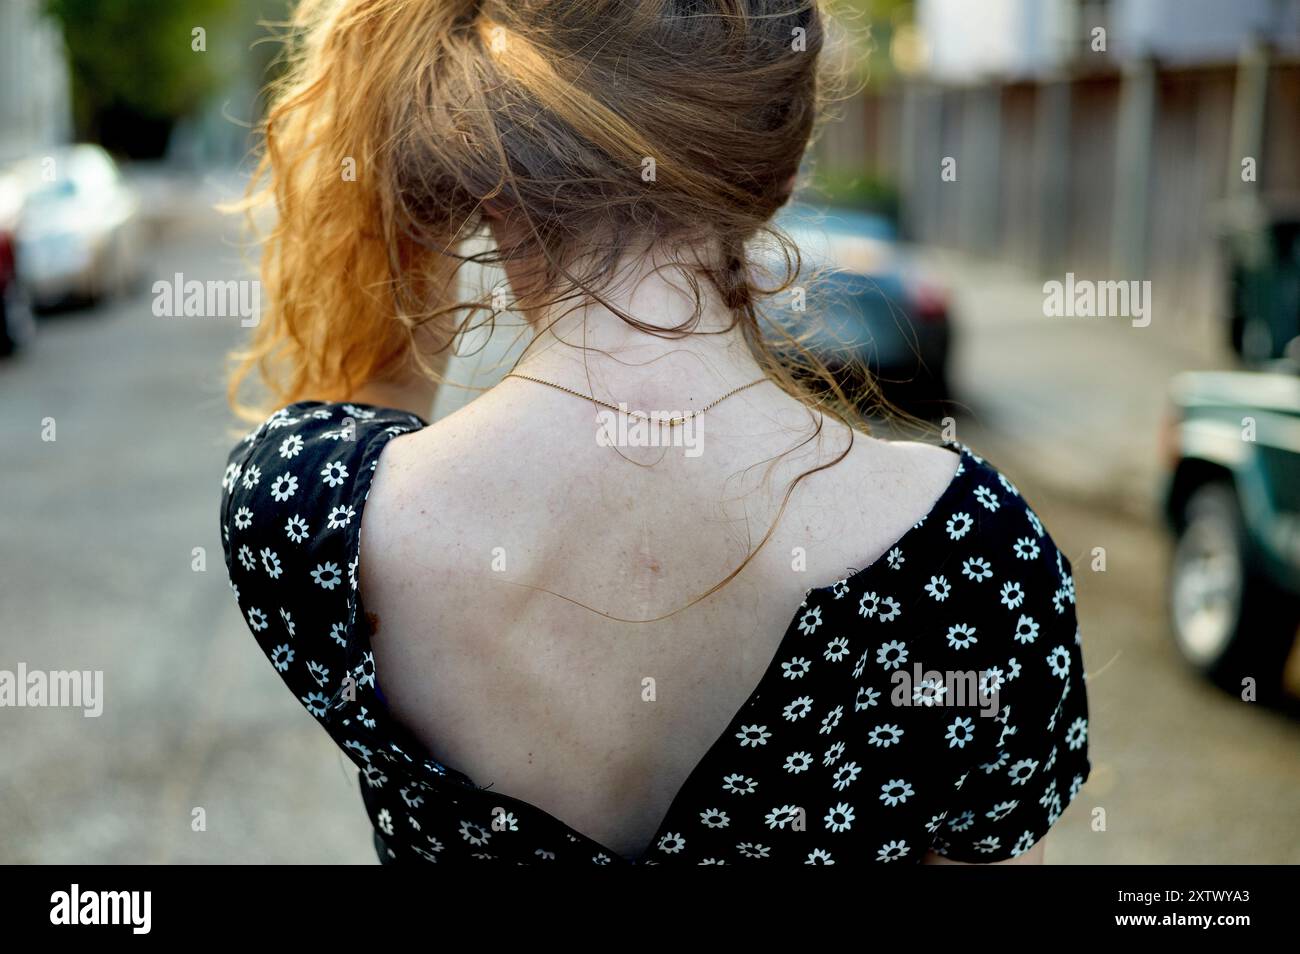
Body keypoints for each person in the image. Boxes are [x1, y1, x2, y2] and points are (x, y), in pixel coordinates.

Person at [220, 0, 1090, 864]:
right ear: (778, 172)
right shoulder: (978, 560)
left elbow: (373, 394)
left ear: (480, 173)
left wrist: (407, 227)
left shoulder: (304, 508)